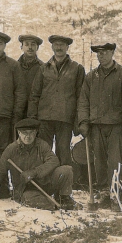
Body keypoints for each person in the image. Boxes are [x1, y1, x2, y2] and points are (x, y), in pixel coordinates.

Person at [78, 43, 122, 210]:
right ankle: (104, 193)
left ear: (113, 53)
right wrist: (83, 122)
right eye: (99, 53)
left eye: (105, 52)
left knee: (116, 161)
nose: (102, 56)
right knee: (99, 161)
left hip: (116, 125)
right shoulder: (91, 77)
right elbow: (83, 101)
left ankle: (117, 194)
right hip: (96, 126)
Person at [0, 118, 78, 210]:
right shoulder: (11, 149)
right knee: (28, 198)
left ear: (36, 133)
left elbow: (54, 161)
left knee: (66, 170)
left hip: (45, 184)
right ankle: (52, 205)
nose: (28, 136)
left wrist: (34, 172)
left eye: (31, 133)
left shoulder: (41, 145)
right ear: (19, 133)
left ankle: (64, 198)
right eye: (24, 133)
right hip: (25, 189)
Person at [28, 35, 85, 167]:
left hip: (65, 118)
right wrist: (33, 118)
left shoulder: (77, 69)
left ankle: (62, 182)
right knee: (43, 151)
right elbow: (34, 95)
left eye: (62, 45)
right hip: (45, 118)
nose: (59, 47)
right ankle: (44, 182)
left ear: (67, 47)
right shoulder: (43, 68)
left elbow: (81, 97)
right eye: (56, 45)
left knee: (63, 152)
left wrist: (78, 120)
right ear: (52, 47)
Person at [17, 34, 44, 118]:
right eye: (26, 44)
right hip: (17, 112)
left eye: (33, 44)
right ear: (21, 47)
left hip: (36, 113)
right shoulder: (14, 67)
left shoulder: (43, 68)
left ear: (37, 47)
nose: (30, 47)